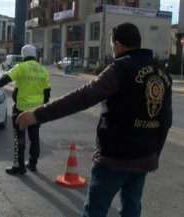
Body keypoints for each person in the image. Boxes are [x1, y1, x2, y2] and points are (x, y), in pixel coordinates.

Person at [16, 22, 172, 217]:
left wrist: (37, 115)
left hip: (114, 158)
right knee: (131, 208)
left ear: (117, 45)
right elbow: (166, 118)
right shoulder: (161, 72)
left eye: (112, 44)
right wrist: (155, 153)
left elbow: (81, 98)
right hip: (144, 158)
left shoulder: (120, 68)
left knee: (95, 211)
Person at [0, 45, 51, 175]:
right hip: (36, 112)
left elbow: (4, 80)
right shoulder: (42, 70)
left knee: (19, 139)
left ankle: (19, 166)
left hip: (21, 110)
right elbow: (47, 93)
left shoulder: (20, 67)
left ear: (23, 55)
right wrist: (41, 107)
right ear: (35, 55)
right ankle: (33, 164)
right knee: (34, 138)